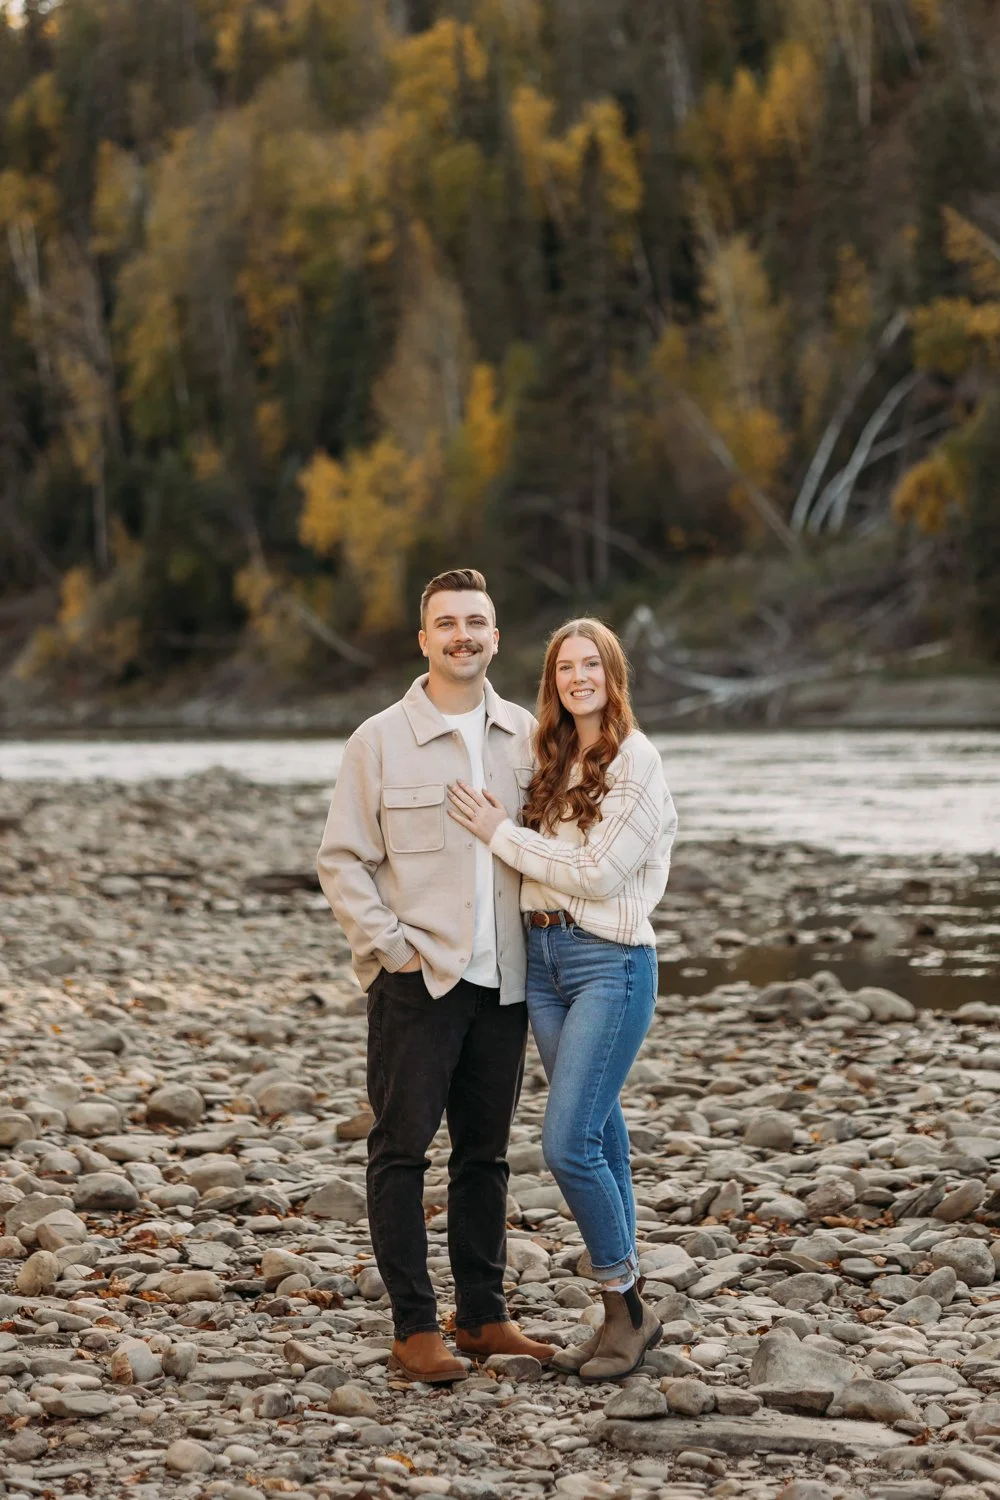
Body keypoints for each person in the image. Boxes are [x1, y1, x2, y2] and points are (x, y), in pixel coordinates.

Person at [316, 568, 555, 1384]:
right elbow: (342, 860)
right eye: (447, 623)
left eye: (476, 622)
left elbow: (551, 848)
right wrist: (392, 948)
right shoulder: (377, 740)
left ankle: (483, 1317)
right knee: (401, 1151)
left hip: (505, 984)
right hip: (418, 982)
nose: (463, 635)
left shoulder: (527, 735)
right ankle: (415, 1328)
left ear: (496, 636)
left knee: (485, 1157)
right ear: (423, 639)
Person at [447, 618, 678, 1382]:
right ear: (553, 681)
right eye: (565, 668)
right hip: (544, 961)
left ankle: (626, 1307)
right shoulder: (554, 756)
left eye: (591, 665)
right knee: (604, 1139)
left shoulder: (636, 760)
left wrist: (499, 833)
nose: (578, 678)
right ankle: (623, 1314)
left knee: (566, 1143)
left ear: (614, 674)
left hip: (609, 964)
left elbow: (597, 873)